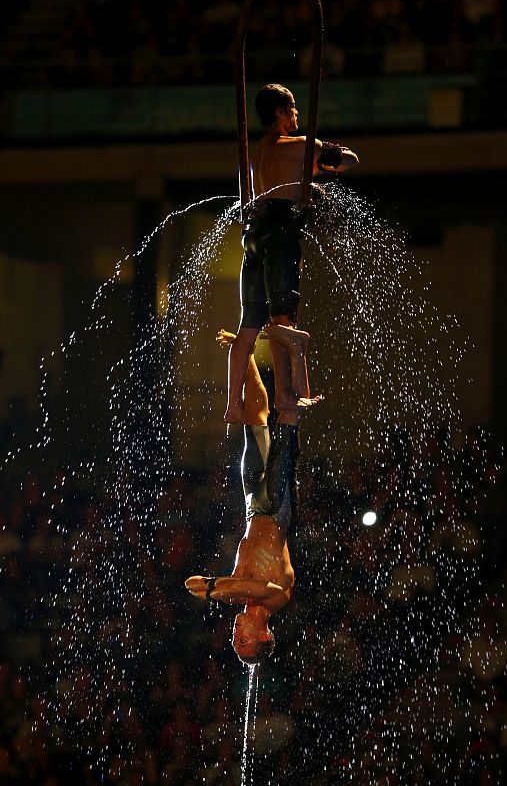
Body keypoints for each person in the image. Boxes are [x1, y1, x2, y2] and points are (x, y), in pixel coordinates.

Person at [225, 82, 359, 424]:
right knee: (284, 319)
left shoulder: (257, 151)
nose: (297, 113)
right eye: (293, 107)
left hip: (253, 232)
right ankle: (293, 392)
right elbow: (350, 162)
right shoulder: (302, 145)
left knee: (247, 327)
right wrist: (323, 157)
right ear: (281, 113)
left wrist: (306, 179)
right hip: (281, 232)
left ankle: (233, 405)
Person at [186, 329, 300, 665]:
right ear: (264, 634)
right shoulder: (278, 599)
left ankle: (245, 348)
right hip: (277, 509)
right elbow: (250, 589)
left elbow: (190, 584)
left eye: (235, 641)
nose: (235, 635)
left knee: (255, 420)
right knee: (286, 424)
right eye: (243, 640)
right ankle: (293, 353)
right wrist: (217, 589)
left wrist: (215, 589)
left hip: (254, 506)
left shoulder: (233, 596)